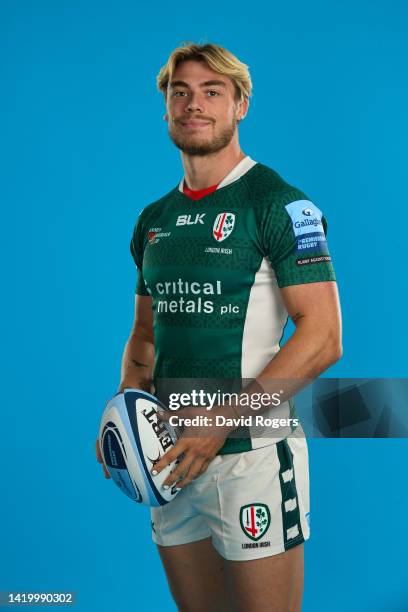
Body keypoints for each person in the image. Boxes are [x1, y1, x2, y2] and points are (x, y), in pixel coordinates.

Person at [96, 42, 342, 611]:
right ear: (165, 108)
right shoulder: (153, 220)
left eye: (212, 92)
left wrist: (216, 423)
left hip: (251, 458)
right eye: (179, 93)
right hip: (172, 463)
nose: (193, 104)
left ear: (240, 105)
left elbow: (323, 337)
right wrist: (125, 425)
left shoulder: (279, 204)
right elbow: (145, 339)